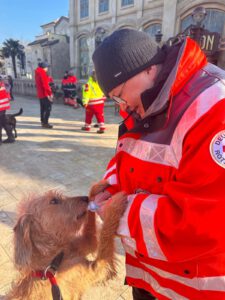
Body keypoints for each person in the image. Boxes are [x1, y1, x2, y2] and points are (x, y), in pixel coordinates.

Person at [92, 29, 225, 299]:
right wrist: (111, 185)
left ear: (147, 69)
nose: (122, 106)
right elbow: (126, 156)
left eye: (118, 94)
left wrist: (116, 213)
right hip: (150, 279)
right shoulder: (148, 102)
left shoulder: (214, 109)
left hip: (193, 288)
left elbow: (202, 221)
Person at [35, 62, 53, 128]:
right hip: (45, 94)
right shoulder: (42, 73)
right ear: (44, 68)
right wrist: (50, 94)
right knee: (48, 109)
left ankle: (43, 121)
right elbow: (45, 85)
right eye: (47, 67)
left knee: (42, 109)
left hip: (40, 94)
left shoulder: (37, 73)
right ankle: (45, 123)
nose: (47, 68)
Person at [0, 76, 15, 144]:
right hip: (4, 105)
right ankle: (11, 137)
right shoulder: (4, 83)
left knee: (2, 122)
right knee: (4, 121)